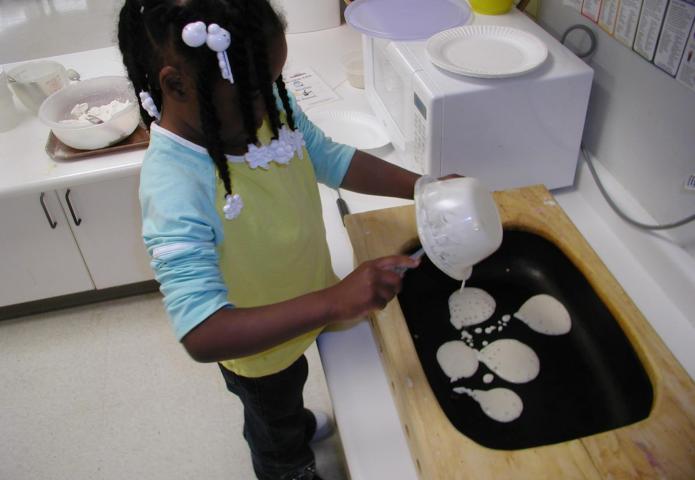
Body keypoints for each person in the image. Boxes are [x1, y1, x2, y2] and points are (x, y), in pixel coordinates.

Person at [118, 1, 422, 479]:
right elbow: (201, 332)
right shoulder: (174, 186)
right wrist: (332, 302)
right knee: (273, 416)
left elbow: (329, 156)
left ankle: (294, 424)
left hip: (305, 296)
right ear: (175, 84)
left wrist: (420, 187)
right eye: (256, 90)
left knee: (293, 385)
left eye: (274, 82)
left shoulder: (268, 106)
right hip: (257, 349)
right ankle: (288, 463)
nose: (271, 103)